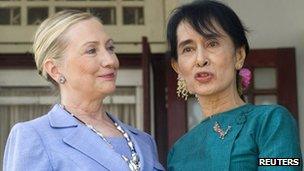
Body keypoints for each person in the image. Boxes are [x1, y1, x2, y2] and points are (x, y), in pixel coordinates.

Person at [3, 10, 164, 171]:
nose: (110, 60)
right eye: (91, 50)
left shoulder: (144, 141)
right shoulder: (34, 136)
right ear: (55, 70)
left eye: (110, 47)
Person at [166, 1, 302, 170]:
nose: (201, 59)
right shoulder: (178, 151)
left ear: (238, 56)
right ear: (178, 67)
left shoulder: (271, 122)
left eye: (212, 44)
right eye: (188, 49)